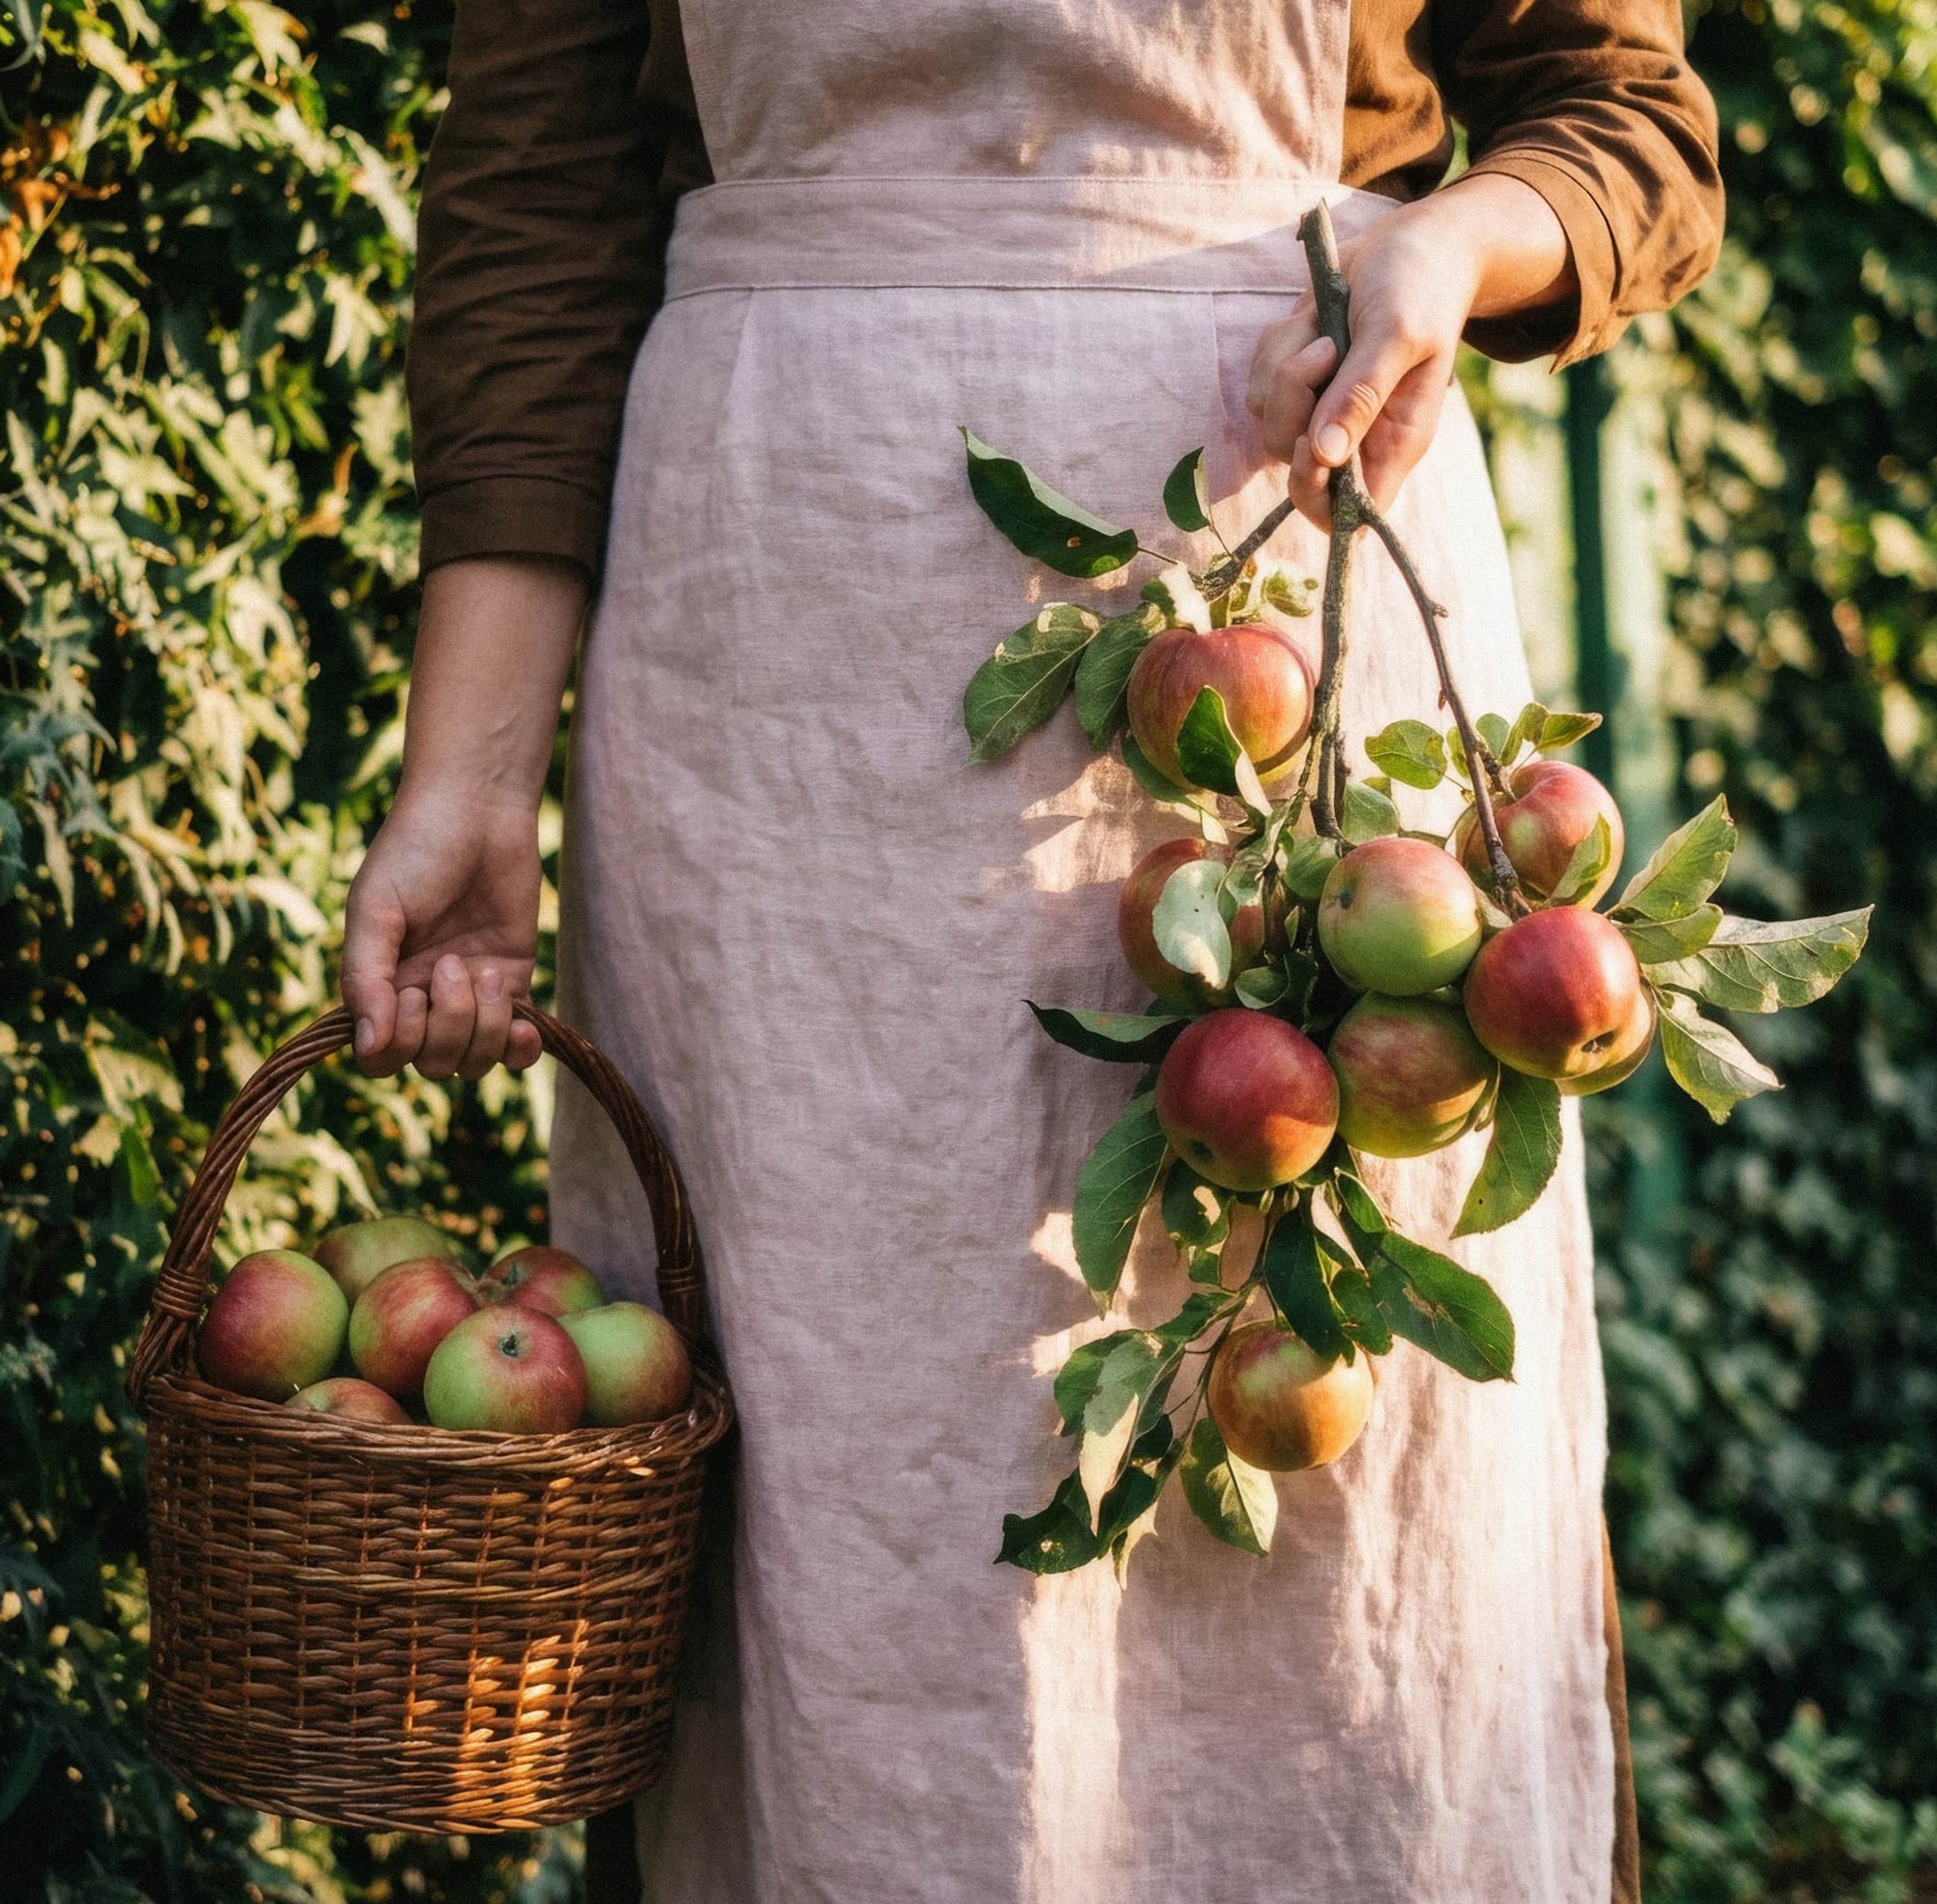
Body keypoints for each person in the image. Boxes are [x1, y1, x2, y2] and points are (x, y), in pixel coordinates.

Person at [342, 1, 1719, 1895]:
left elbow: (1625, 119)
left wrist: (1457, 245)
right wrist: (472, 775)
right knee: (837, 1478)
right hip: (779, 677)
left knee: (1290, 1443)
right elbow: (546, 187)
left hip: (1286, 630)